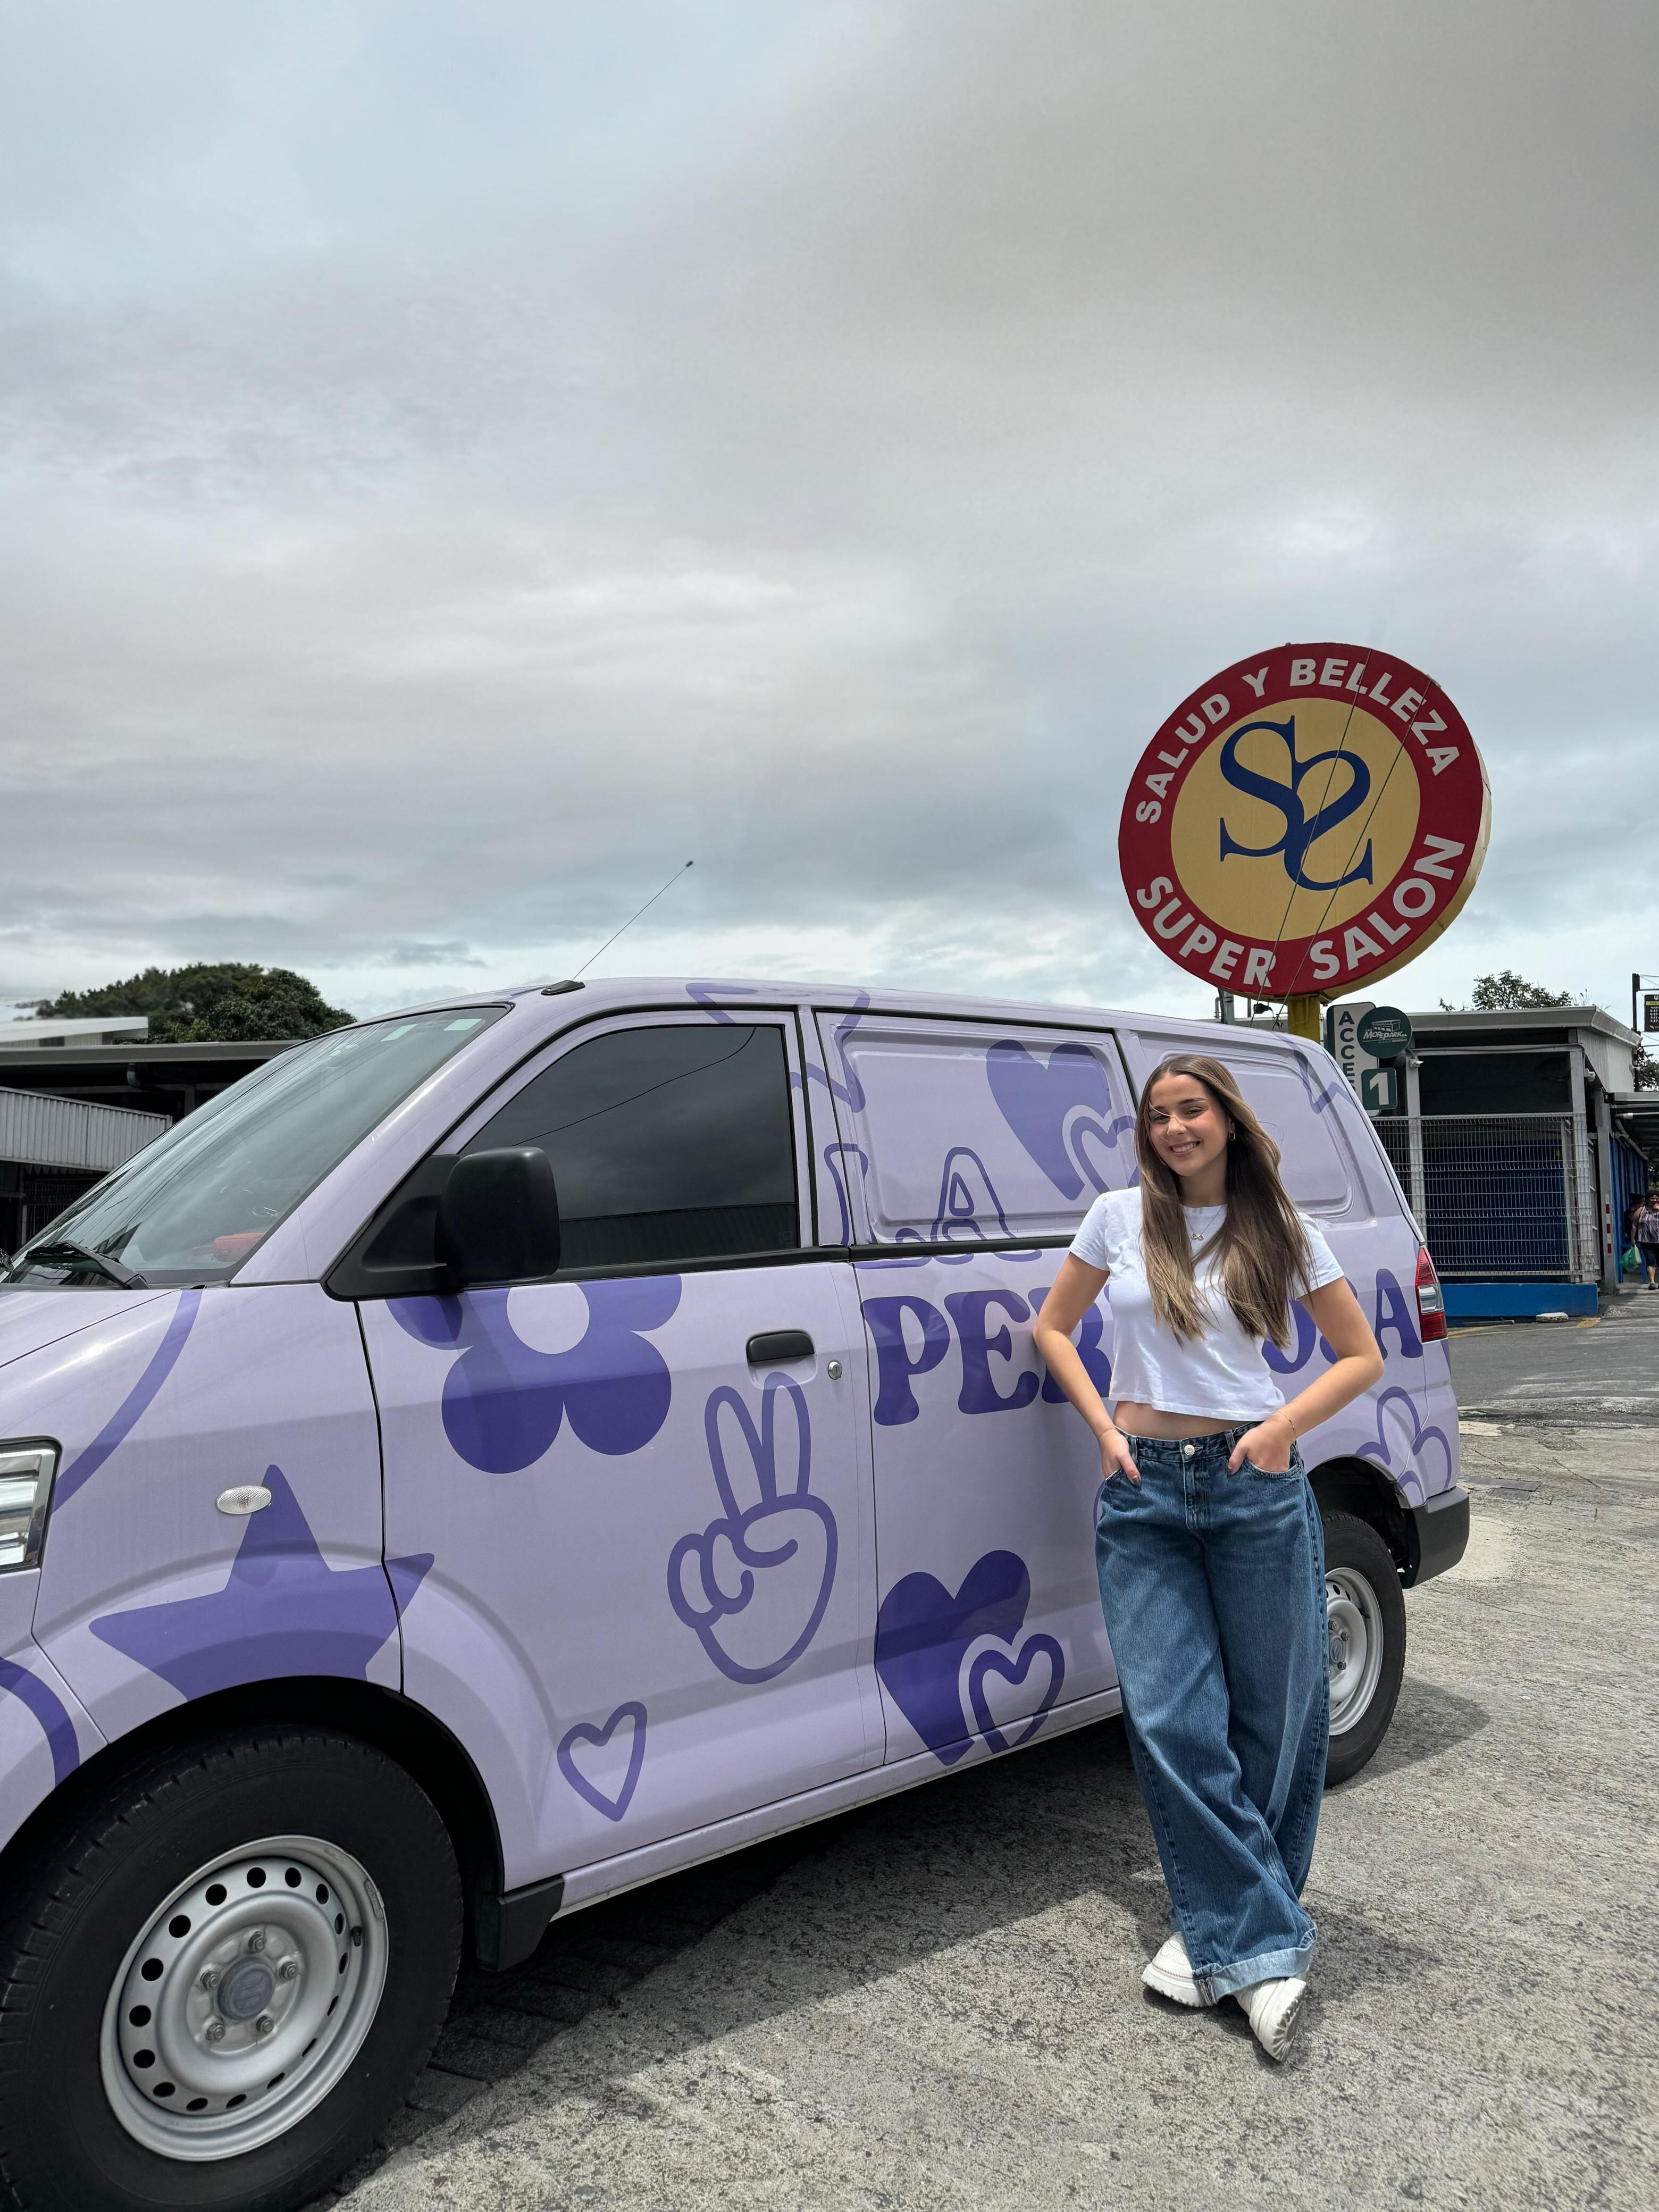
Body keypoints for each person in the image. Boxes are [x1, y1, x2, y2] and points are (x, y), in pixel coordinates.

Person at [1034, 1053, 1384, 2061]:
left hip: (1250, 1481)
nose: (1174, 1128)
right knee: (1170, 1716)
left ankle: (1221, 1937)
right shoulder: (1117, 1218)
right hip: (1142, 1487)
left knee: (1275, 1715)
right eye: (1158, 1116)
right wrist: (1104, 1429)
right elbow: (1052, 1328)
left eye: (1191, 1110)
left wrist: (1279, 1432)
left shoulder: (1283, 1229)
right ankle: (1262, 1945)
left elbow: (1360, 1355)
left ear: (1227, 1119)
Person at [1635, 1191, 1659, 1289]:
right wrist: (1633, 1239)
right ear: (1648, 1200)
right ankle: (1652, 1282)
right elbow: (1634, 1225)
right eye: (1652, 1199)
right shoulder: (1641, 1210)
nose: (1655, 1200)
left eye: (1657, 1199)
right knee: (1650, 1260)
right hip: (1646, 1240)